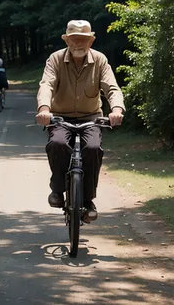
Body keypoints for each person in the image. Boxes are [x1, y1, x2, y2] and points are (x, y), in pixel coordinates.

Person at [36, 20, 125, 223]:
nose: (78, 43)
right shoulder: (55, 59)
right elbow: (46, 85)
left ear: (91, 41)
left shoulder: (100, 60)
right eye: (74, 39)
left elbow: (112, 88)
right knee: (57, 144)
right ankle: (58, 190)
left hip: (90, 117)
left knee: (93, 148)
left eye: (83, 39)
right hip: (59, 116)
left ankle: (87, 200)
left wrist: (117, 109)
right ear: (67, 40)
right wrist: (44, 109)